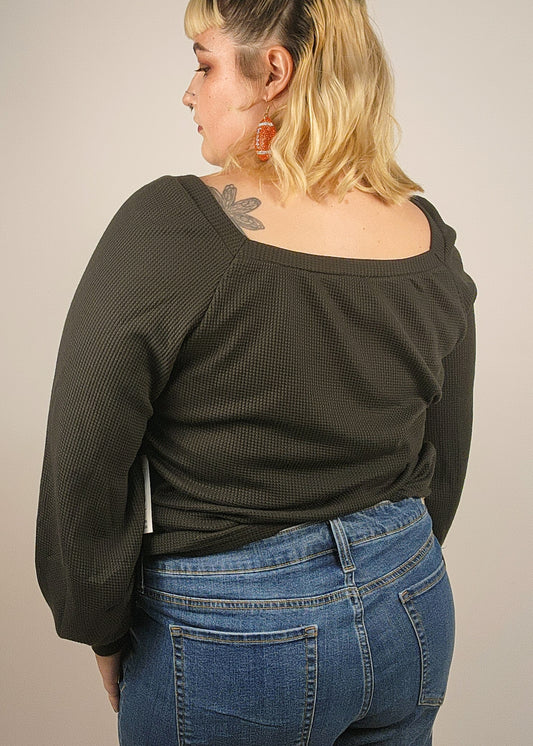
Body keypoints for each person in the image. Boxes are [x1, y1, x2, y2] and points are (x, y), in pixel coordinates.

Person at [35, 1, 477, 744]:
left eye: (205, 65)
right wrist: (392, 565)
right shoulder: (425, 231)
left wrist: (97, 619)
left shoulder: (173, 224)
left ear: (273, 72)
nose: (188, 93)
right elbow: (447, 444)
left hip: (235, 628)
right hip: (410, 595)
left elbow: (87, 451)